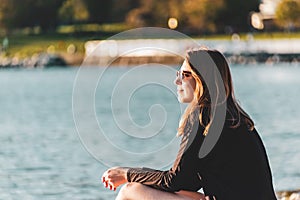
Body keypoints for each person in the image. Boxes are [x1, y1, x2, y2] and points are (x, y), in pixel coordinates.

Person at [101, 48, 277, 200]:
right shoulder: (235, 117)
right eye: (178, 74)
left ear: (203, 80)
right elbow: (187, 181)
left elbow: (175, 180)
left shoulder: (202, 115)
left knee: (131, 190)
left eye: (185, 75)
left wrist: (127, 174)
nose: (177, 81)